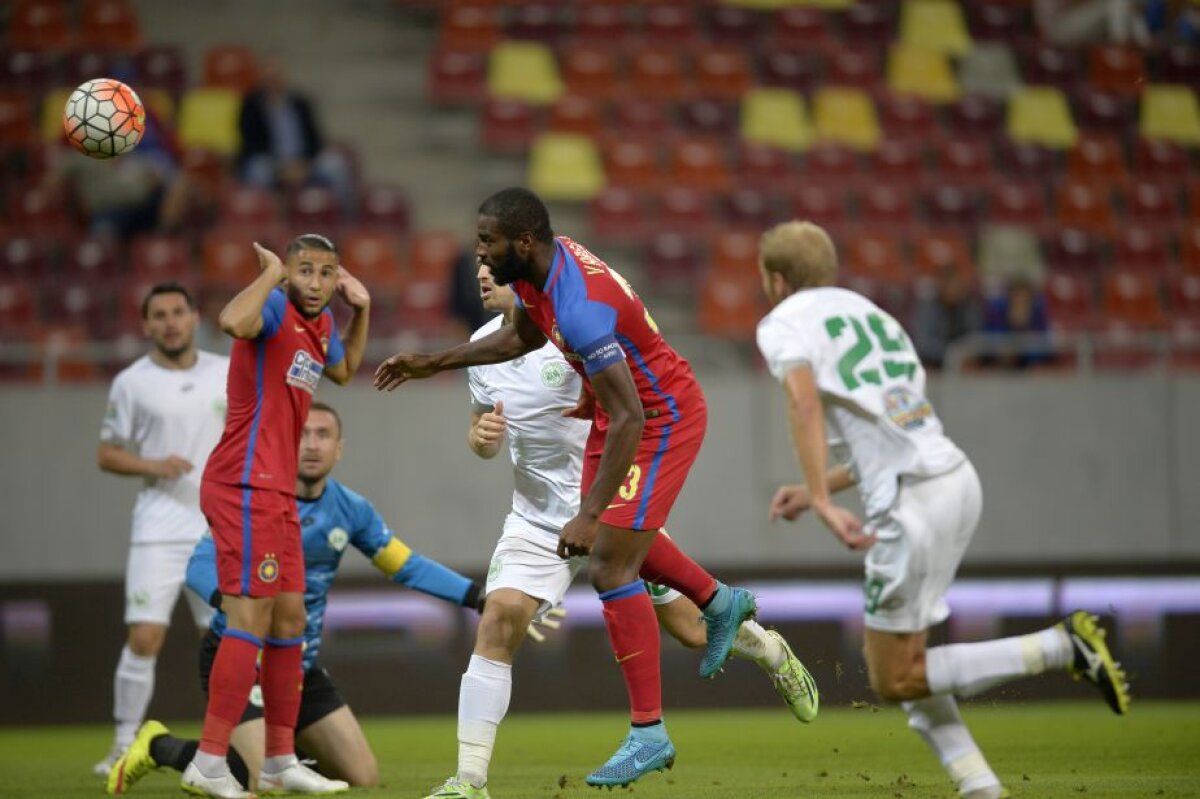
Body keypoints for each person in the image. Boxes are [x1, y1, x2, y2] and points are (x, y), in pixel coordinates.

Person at [376, 187, 764, 789]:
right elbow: (521, 338)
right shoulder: (540, 272)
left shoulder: (580, 307)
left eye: (488, 241)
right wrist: (434, 362)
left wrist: (588, 515)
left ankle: (650, 732)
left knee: (611, 566)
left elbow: (633, 414)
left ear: (523, 242)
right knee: (603, 566)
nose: (478, 253)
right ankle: (718, 602)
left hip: (662, 418)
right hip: (608, 427)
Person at [754, 221, 1130, 799]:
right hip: (952, 478)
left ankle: (1061, 646)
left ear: (776, 281)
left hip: (910, 505)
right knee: (915, 677)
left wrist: (823, 500)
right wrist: (815, 489)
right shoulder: (878, 319)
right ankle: (983, 790)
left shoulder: (783, 322)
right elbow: (890, 432)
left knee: (893, 676)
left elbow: (802, 401)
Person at [424, 261, 818, 799]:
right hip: (538, 519)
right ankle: (467, 782)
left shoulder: (572, 328)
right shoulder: (481, 348)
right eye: (477, 266)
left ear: (522, 272)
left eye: (494, 265)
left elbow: (632, 406)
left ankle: (772, 653)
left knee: (691, 630)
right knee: (499, 618)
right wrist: (482, 437)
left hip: (610, 508)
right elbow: (480, 431)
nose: (483, 276)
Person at [106, 402, 556, 795]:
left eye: (324, 435)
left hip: (301, 663)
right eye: (303, 433)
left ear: (339, 448)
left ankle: (281, 751)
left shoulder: (351, 509)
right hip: (244, 658)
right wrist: (241, 604)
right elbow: (199, 564)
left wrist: (480, 597)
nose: (312, 444)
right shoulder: (257, 501)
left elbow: (405, 564)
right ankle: (161, 745)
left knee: (362, 775)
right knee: (255, 777)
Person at [185, 234, 370, 798]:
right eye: (305, 271)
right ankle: (210, 761)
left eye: (327, 273)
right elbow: (229, 320)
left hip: (277, 492)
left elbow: (345, 371)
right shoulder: (272, 305)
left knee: (290, 621)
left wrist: (361, 311)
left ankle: (280, 759)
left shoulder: (320, 327)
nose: (315, 282)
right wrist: (269, 275)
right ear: (290, 275)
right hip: (243, 483)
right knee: (251, 622)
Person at [93, 283, 230, 776]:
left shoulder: (225, 370)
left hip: (218, 529)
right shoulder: (132, 382)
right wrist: (154, 463)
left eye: (178, 312)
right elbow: (107, 453)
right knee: (146, 637)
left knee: (222, 637)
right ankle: (122, 743)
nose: (170, 322)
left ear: (195, 317)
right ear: (146, 325)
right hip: (159, 525)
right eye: (159, 315)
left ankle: (231, 741)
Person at [237, 59, 354, 211]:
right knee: (257, 171)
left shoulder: (301, 103)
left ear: (283, 78)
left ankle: (344, 218)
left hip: (303, 162)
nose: (272, 82)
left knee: (336, 165)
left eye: (276, 77)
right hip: (271, 163)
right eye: (268, 79)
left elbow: (316, 138)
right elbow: (249, 143)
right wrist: (280, 167)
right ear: (261, 81)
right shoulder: (250, 106)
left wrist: (304, 164)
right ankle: (266, 222)